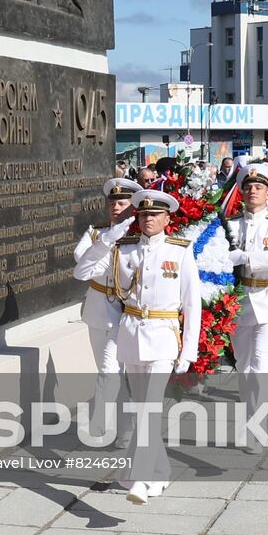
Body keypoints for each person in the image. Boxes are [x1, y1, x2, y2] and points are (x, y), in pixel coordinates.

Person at [75, 189, 199, 505]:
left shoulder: (180, 251)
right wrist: (106, 240)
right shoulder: (123, 249)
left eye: (155, 215)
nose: (148, 220)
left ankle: (142, 480)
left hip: (164, 337)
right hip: (130, 337)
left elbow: (192, 305)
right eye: (143, 215)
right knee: (143, 406)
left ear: (168, 219)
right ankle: (161, 470)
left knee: (150, 407)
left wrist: (189, 351)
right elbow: (82, 272)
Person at [224, 163, 268, 453]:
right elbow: (220, 257)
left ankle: (258, 427)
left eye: (259, 187)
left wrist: (246, 257)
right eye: (249, 187)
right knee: (243, 366)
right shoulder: (230, 224)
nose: (253, 191)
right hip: (240, 302)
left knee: (262, 366)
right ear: (241, 191)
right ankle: (247, 421)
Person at [72, 178, 141, 441]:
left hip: (129, 312)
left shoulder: (140, 237)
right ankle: (124, 429)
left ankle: (99, 421)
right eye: (112, 203)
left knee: (112, 369)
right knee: (110, 370)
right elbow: (84, 261)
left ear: (133, 207)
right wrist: (106, 241)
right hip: (100, 309)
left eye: (122, 203)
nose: (115, 208)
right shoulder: (95, 232)